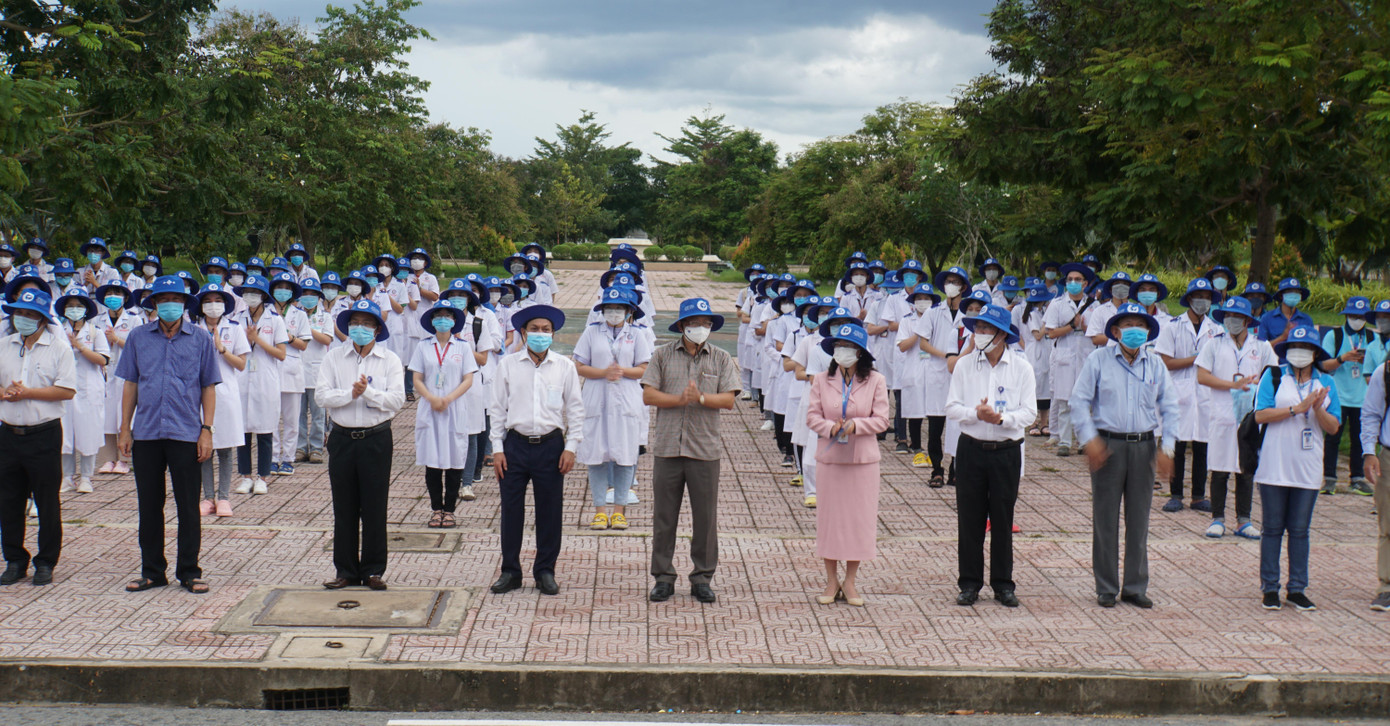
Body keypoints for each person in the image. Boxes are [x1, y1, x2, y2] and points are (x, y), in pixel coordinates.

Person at [1070, 302, 1180, 608]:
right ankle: (1106, 586)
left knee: (1139, 518)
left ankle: (1135, 586)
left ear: (1148, 331)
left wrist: (1167, 448)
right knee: (1105, 519)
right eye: (1128, 325)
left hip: (1144, 446)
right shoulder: (1098, 359)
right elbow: (1079, 402)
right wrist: (1089, 440)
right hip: (1108, 446)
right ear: (1116, 331)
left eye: (1141, 325)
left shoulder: (1155, 364)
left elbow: (1170, 407)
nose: (1135, 331)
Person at [116, 276, 220, 594]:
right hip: (146, 432)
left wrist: (207, 430)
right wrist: (124, 428)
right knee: (149, 505)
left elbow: (208, 386)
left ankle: (189, 570)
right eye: (164, 299)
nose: (170, 305)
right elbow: (130, 384)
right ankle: (152, 571)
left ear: (184, 304)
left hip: (186, 432)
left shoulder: (201, 339)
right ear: (155, 304)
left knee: (188, 505)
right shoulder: (138, 337)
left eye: (176, 299)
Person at [641, 298, 740, 603]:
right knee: (664, 517)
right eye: (694, 323)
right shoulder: (663, 355)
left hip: (705, 449)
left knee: (705, 518)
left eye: (706, 323)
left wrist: (701, 399)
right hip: (668, 447)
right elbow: (648, 394)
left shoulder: (721, 358)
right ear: (682, 325)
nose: (701, 328)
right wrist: (680, 399)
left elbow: (728, 400)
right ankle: (663, 576)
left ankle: (702, 577)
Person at [488, 304, 583, 596]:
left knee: (550, 511)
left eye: (546, 330)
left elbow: (576, 410)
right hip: (515, 445)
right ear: (523, 333)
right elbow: (497, 408)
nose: (540, 334)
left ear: (553, 334)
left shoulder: (564, 366)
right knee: (511, 511)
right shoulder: (508, 365)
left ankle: (545, 570)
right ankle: (510, 571)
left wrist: (571, 447)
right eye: (534, 329)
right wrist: (497, 448)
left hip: (551, 446)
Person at [946, 304, 1036, 607]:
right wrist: (976, 413)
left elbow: (1030, 413)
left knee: (1002, 519)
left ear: (1001, 334)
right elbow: (952, 407)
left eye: (986, 329)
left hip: (1006, 451)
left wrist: (1000, 419)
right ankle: (969, 583)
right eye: (977, 328)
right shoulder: (964, 365)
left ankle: (1003, 583)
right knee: (970, 520)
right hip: (971, 448)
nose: (980, 335)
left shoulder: (1021, 367)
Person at [316, 299, 406, 590]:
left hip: (376, 438)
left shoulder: (389, 360)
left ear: (377, 329)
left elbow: (396, 401)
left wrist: (368, 394)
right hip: (342, 437)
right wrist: (350, 395)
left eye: (367, 324)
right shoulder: (334, 358)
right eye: (355, 323)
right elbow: (322, 396)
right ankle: (345, 569)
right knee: (344, 506)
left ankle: (373, 570)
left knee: (374, 505)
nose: (360, 328)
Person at [1253, 325, 1341, 612]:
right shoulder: (1274, 376)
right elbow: (1260, 415)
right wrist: (1296, 409)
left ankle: (1297, 588)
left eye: (1304, 349)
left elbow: (1333, 426)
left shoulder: (1325, 383)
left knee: (1300, 530)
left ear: (1315, 353)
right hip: (1274, 466)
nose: (1298, 353)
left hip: (1308, 469)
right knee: (1272, 528)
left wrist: (1316, 409)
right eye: (1293, 347)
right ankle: (1270, 587)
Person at [805, 322, 889, 606]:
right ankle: (831, 580)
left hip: (862, 460)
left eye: (850, 347)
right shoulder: (820, 379)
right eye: (840, 347)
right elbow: (812, 416)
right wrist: (831, 428)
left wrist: (855, 425)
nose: (844, 352)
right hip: (830, 458)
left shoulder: (876, 380)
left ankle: (850, 581)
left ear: (861, 353)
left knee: (858, 521)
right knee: (830, 520)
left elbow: (882, 420)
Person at [0, 288, 76, 586]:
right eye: (20, 313)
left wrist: (28, 393)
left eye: (31, 315)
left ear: (44, 319)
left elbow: (66, 390)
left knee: (47, 499)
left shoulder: (58, 348)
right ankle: (15, 559)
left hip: (43, 434)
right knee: (8, 500)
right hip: (8, 433)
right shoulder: (4, 345)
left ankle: (46, 561)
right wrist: (5, 393)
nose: (24, 319)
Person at [1196, 296, 1277, 539]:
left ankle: (1244, 520)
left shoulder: (1261, 346)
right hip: (1221, 413)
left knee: (1246, 468)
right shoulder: (1214, 344)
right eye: (1228, 317)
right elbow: (1202, 376)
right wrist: (1232, 385)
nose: (1232, 321)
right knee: (1219, 467)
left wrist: (1255, 385)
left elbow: (1272, 376)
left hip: (1249, 416)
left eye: (1237, 317)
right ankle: (1217, 518)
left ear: (1246, 320)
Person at [574, 288, 651, 530]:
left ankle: (619, 511)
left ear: (629, 311)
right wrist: (603, 373)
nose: (614, 313)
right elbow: (579, 365)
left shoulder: (636, 335)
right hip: (597, 396)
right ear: (602, 309)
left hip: (626, 398)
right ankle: (599, 510)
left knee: (625, 455)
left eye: (619, 308)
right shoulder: (591, 332)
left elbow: (644, 368)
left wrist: (622, 372)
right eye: (610, 308)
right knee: (596, 455)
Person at [1154, 278, 1221, 513]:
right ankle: (1175, 494)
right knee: (1178, 445)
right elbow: (1165, 361)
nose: (1202, 301)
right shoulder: (1173, 326)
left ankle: (1198, 496)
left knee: (1203, 445)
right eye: (1198, 296)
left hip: (1205, 394)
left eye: (1207, 297)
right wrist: (1197, 358)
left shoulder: (1217, 330)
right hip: (1179, 393)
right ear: (1190, 299)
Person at [411, 302, 477, 529]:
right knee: (432, 461)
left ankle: (450, 510)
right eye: (438, 315)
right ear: (431, 320)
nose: (442, 319)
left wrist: (447, 399)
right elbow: (417, 378)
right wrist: (431, 398)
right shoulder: (423, 346)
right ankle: (435, 509)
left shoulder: (463, 347)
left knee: (454, 460)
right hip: (430, 409)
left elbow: (468, 379)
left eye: (447, 315)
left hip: (454, 408)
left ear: (454, 320)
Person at [194, 283, 250, 517]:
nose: (213, 305)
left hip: (225, 394)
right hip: (197, 395)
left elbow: (241, 364)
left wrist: (222, 350)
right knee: (203, 449)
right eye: (208, 301)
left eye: (218, 301)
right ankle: (207, 497)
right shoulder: (192, 329)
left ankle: (224, 497)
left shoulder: (234, 329)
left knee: (226, 448)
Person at [1319, 296, 1382, 495]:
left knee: (1359, 438)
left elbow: (1380, 366)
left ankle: (1357, 478)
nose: (1357, 319)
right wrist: (1342, 358)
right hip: (1339, 394)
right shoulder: (1334, 336)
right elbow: (1323, 364)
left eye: (1361, 316)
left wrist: (1367, 362)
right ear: (1346, 315)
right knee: (1332, 437)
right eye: (1353, 315)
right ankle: (1329, 478)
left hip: (1363, 396)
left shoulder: (1373, 338)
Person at [233, 275, 287, 495]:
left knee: (265, 430)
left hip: (266, 378)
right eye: (247, 291)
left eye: (255, 292)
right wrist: (248, 340)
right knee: (242, 430)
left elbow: (281, 354)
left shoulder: (275, 320)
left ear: (264, 295)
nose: (250, 296)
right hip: (243, 378)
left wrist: (258, 340)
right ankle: (245, 476)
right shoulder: (237, 318)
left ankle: (263, 476)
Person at [55, 288, 110, 494]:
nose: (75, 310)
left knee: (89, 433)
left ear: (86, 309)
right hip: (64, 387)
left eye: (79, 306)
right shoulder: (58, 330)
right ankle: (67, 477)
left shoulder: (95, 331)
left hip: (90, 388)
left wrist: (80, 347)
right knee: (64, 433)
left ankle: (86, 478)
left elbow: (103, 359)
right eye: (71, 306)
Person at [1043, 262, 1099, 456]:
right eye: (1070, 280)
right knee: (1064, 401)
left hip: (1086, 355)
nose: (1073, 283)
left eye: (1077, 280)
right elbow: (1050, 333)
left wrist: (1083, 328)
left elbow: (1097, 334)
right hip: (1064, 356)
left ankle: (1084, 441)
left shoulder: (1094, 306)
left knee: (1084, 401)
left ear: (1085, 283)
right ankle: (1065, 442)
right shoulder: (1057, 304)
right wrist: (1071, 326)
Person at [894, 283, 947, 479]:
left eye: (926, 298)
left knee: (935, 410)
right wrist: (919, 332)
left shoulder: (940, 318)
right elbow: (902, 346)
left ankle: (936, 451)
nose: (922, 302)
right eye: (919, 299)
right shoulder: (907, 321)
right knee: (914, 408)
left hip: (935, 369)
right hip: (914, 368)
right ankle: (916, 448)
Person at [95, 281, 141, 476]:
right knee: (106, 415)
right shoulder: (97, 320)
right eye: (109, 293)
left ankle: (124, 459)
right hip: (105, 373)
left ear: (125, 298)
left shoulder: (134, 320)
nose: (113, 297)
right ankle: (108, 458)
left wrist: (117, 340)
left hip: (126, 373)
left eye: (117, 293)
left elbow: (139, 346)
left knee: (125, 414)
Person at [1358, 356, 1390, 612]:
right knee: (1388, 524)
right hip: (1388, 456)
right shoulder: (1386, 370)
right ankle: (1387, 587)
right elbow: (1370, 412)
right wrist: (1369, 451)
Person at [296, 278, 334, 464]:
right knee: (299, 413)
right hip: (297, 370)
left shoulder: (325, 317)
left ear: (319, 297)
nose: (308, 297)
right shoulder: (294, 314)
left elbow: (327, 340)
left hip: (317, 370)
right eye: (305, 294)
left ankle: (317, 447)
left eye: (312, 294)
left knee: (319, 413)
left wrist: (307, 328)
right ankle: (301, 447)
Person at [1017, 283, 1053, 438]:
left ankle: (1045, 422)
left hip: (1046, 352)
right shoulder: (1031, 315)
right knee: (1034, 388)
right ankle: (1033, 423)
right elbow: (1037, 335)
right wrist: (1047, 322)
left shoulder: (1042, 312)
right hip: (1035, 353)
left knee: (1046, 388)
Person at [1257, 278, 1314, 345]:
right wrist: (1282, 337)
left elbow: (1312, 346)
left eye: (1297, 292)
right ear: (1281, 296)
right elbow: (1261, 347)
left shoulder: (1307, 320)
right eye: (1290, 291)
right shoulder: (1267, 318)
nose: (1294, 294)